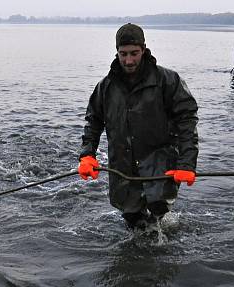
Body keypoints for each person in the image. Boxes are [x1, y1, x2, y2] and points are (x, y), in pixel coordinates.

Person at [77, 23, 199, 230]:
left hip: (159, 161)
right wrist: (87, 155)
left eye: (134, 53)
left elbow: (187, 121)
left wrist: (187, 164)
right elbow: (93, 122)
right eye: (123, 54)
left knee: (159, 213)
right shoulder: (105, 86)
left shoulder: (168, 81)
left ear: (143, 49)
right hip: (122, 166)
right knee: (132, 220)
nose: (129, 60)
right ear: (116, 52)